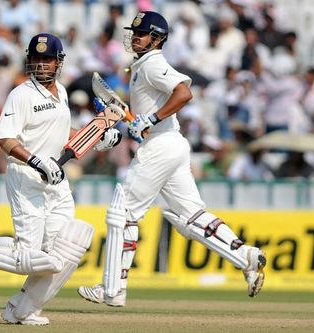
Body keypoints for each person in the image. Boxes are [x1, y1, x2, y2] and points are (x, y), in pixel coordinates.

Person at [78, 11, 267, 307]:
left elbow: (184, 93)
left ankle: (112, 289)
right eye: (134, 32)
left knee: (122, 212)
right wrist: (137, 116)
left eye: (141, 33)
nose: (134, 37)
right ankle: (246, 257)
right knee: (191, 217)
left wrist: (152, 117)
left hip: (161, 146)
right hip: (171, 144)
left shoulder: (153, 63)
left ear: (157, 38)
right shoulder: (142, 65)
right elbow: (149, 110)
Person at [0, 33, 121, 325]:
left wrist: (100, 138)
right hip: (27, 178)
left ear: (59, 63)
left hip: (56, 181)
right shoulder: (21, 94)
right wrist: (37, 162)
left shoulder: (60, 91)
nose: (41, 65)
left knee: (64, 249)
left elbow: (63, 135)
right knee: (29, 256)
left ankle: (21, 309)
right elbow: (5, 138)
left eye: (47, 59)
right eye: (36, 59)